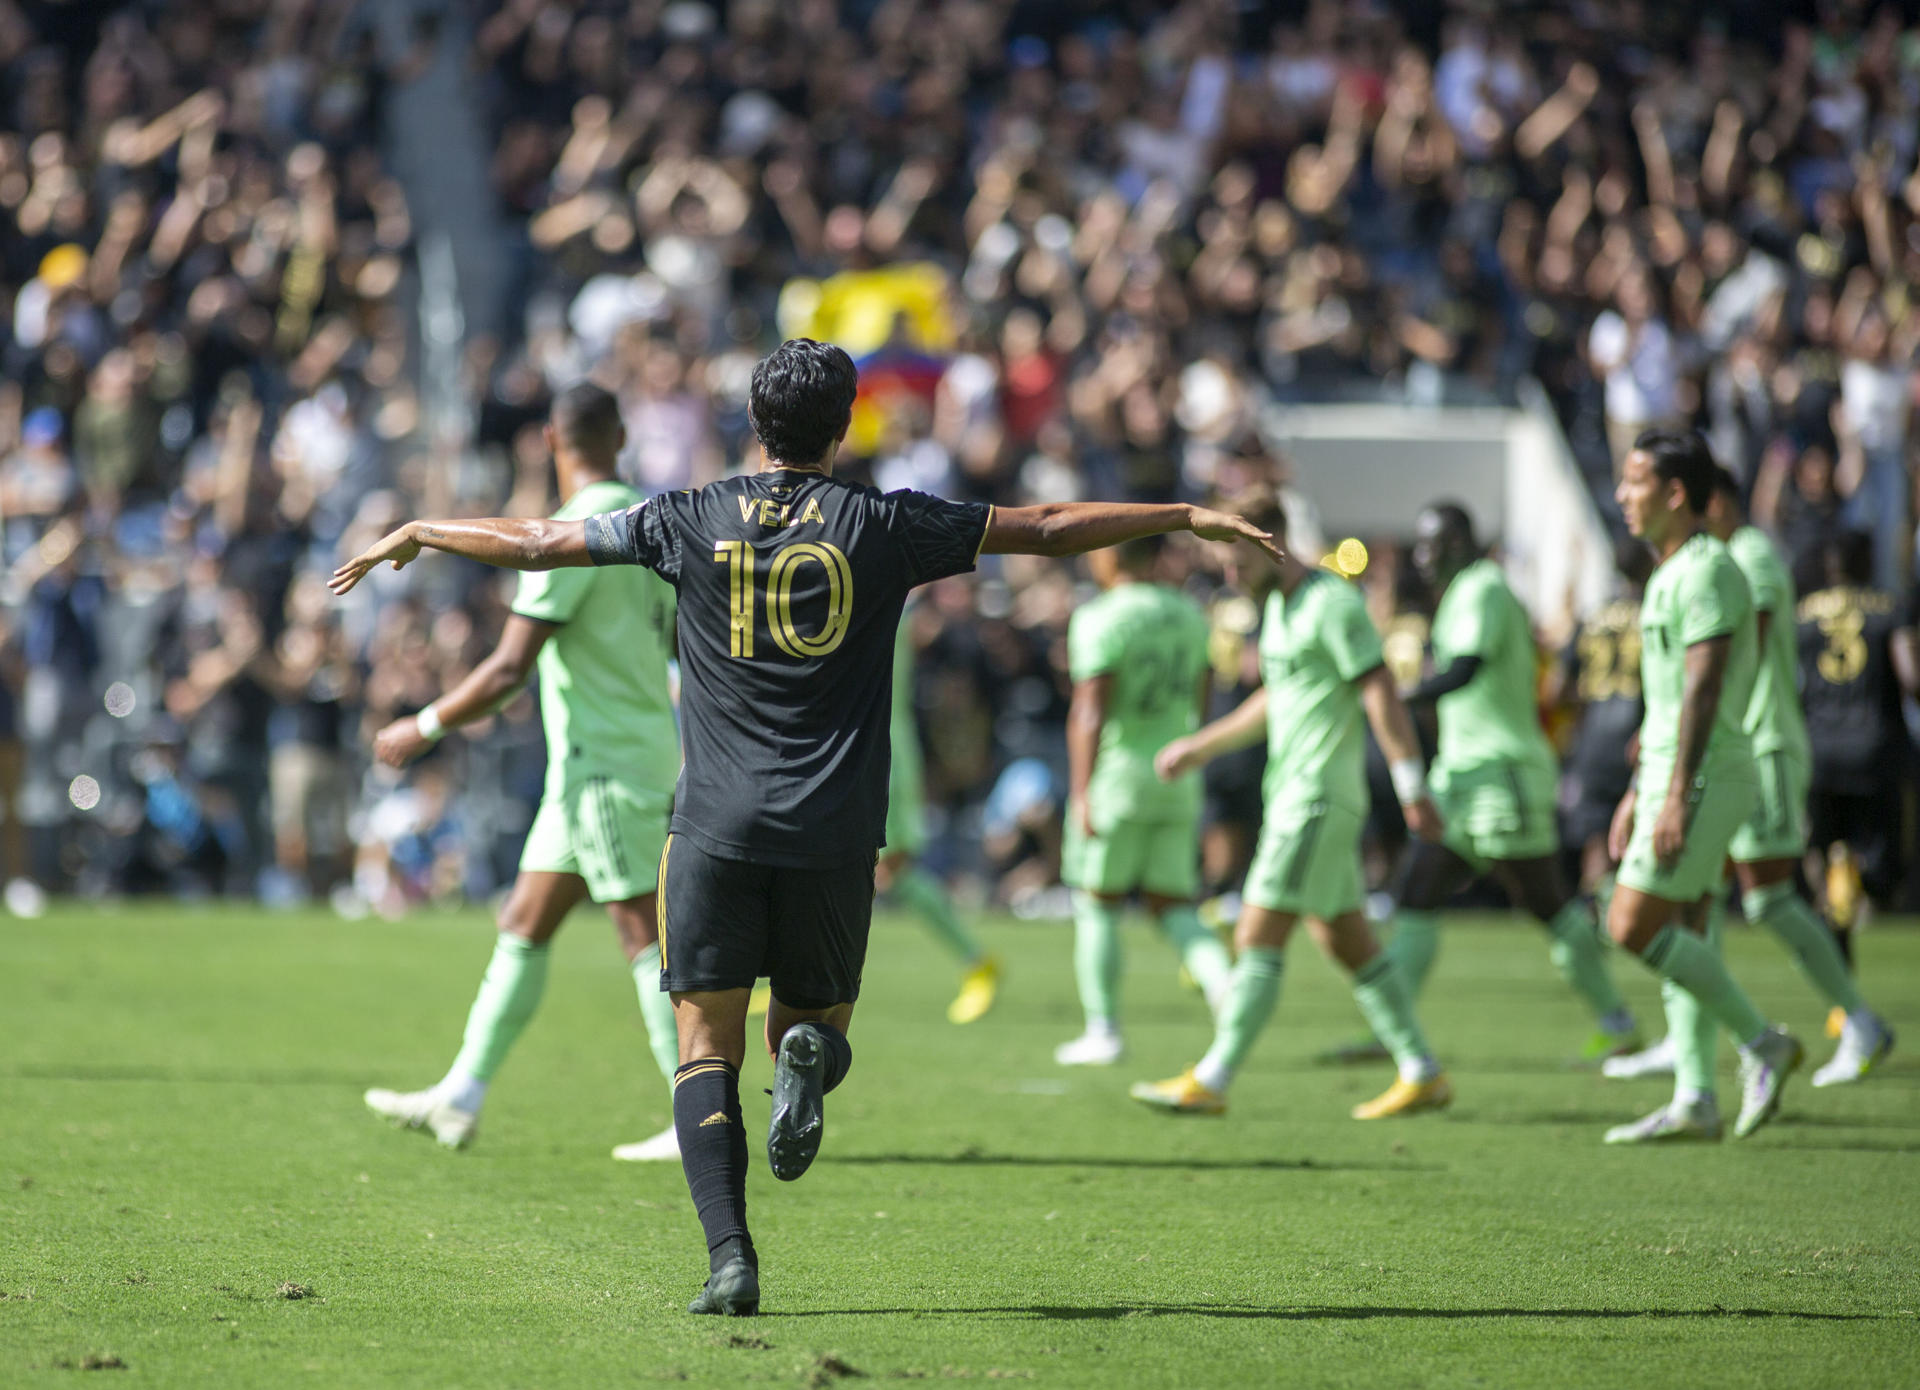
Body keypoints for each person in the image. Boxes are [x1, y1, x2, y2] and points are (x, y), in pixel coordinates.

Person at [330, 338, 1284, 1318]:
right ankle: (813, 1061)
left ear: (755, 424)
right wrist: (1185, 514)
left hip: (709, 828)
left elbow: (537, 540)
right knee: (812, 1028)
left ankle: (730, 1261)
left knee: (704, 1046)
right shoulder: (885, 523)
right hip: (833, 831)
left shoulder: (688, 517)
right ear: (843, 427)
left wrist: (423, 529)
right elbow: (1040, 525)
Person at [359, 384, 684, 1160]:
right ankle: (460, 1096)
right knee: (523, 923)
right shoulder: (650, 518)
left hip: (606, 768)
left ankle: (695, 1111)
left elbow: (510, 667)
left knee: (643, 935)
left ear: (547, 440)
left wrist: (424, 723)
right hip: (601, 766)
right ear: (622, 433)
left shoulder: (576, 532)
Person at [1129, 486, 1452, 1122]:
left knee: (1256, 932)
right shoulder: (1276, 606)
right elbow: (1277, 698)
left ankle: (1213, 1078)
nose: (1228, 572)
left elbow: (1380, 690)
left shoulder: (1331, 601)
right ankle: (1422, 1071)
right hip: (1299, 796)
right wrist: (1201, 746)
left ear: (1268, 542)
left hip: (1316, 799)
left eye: (1235, 558)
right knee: (1344, 938)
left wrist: (1413, 787)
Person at [1347, 504, 1639, 1065]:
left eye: (1433, 545)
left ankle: (1617, 1020)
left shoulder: (1482, 587)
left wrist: (1394, 695)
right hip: (1462, 776)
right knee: (1417, 893)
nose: (1424, 559)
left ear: (1461, 541)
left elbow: (1465, 670)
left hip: (1502, 772)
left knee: (1546, 902)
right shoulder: (1460, 593)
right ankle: (1393, 1029)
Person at [1598, 431, 1802, 1145]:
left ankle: (1760, 1041)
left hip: (1707, 775)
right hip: (1672, 774)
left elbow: (1705, 687)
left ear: (1675, 493)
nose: (1623, 495)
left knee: (1629, 924)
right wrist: (1637, 789)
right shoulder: (1669, 571)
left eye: (1635, 482)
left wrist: (1677, 791)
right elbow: (1663, 704)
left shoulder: (1711, 570)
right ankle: (1695, 1097)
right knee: (1685, 927)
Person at [1054, 535, 1230, 1067]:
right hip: (1178, 775)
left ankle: (1103, 1030)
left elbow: (1090, 711)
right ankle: (1226, 989)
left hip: (1120, 777)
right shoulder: (1190, 614)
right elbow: (1201, 702)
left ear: (1109, 555)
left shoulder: (1100, 616)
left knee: (1098, 902)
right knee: (1172, 904)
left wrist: (1081, 792)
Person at [877, 607, 1002, 1025]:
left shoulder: (868, 578)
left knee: (892, 870)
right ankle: (787, 979)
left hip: (877, 748)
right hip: (866, 743)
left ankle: (976, 960)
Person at [1797, 531, 1920, 946]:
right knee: (1888, 868)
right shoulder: (1890, 608)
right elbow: (1911, 677)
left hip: (1819, 749)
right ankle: (1858, 877)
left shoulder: (1805, 614)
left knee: (1822, 843)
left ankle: (1837, 882)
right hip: (1876, 750)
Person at [1550, 539, 1653, 900]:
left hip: (1592, 743)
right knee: (1640, 838)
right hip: (1638, 741)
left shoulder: (1593, 617)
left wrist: (1590, 694)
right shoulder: (1654, 612)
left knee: (1596, 843)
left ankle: (1595, 910)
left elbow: (1555, 689)